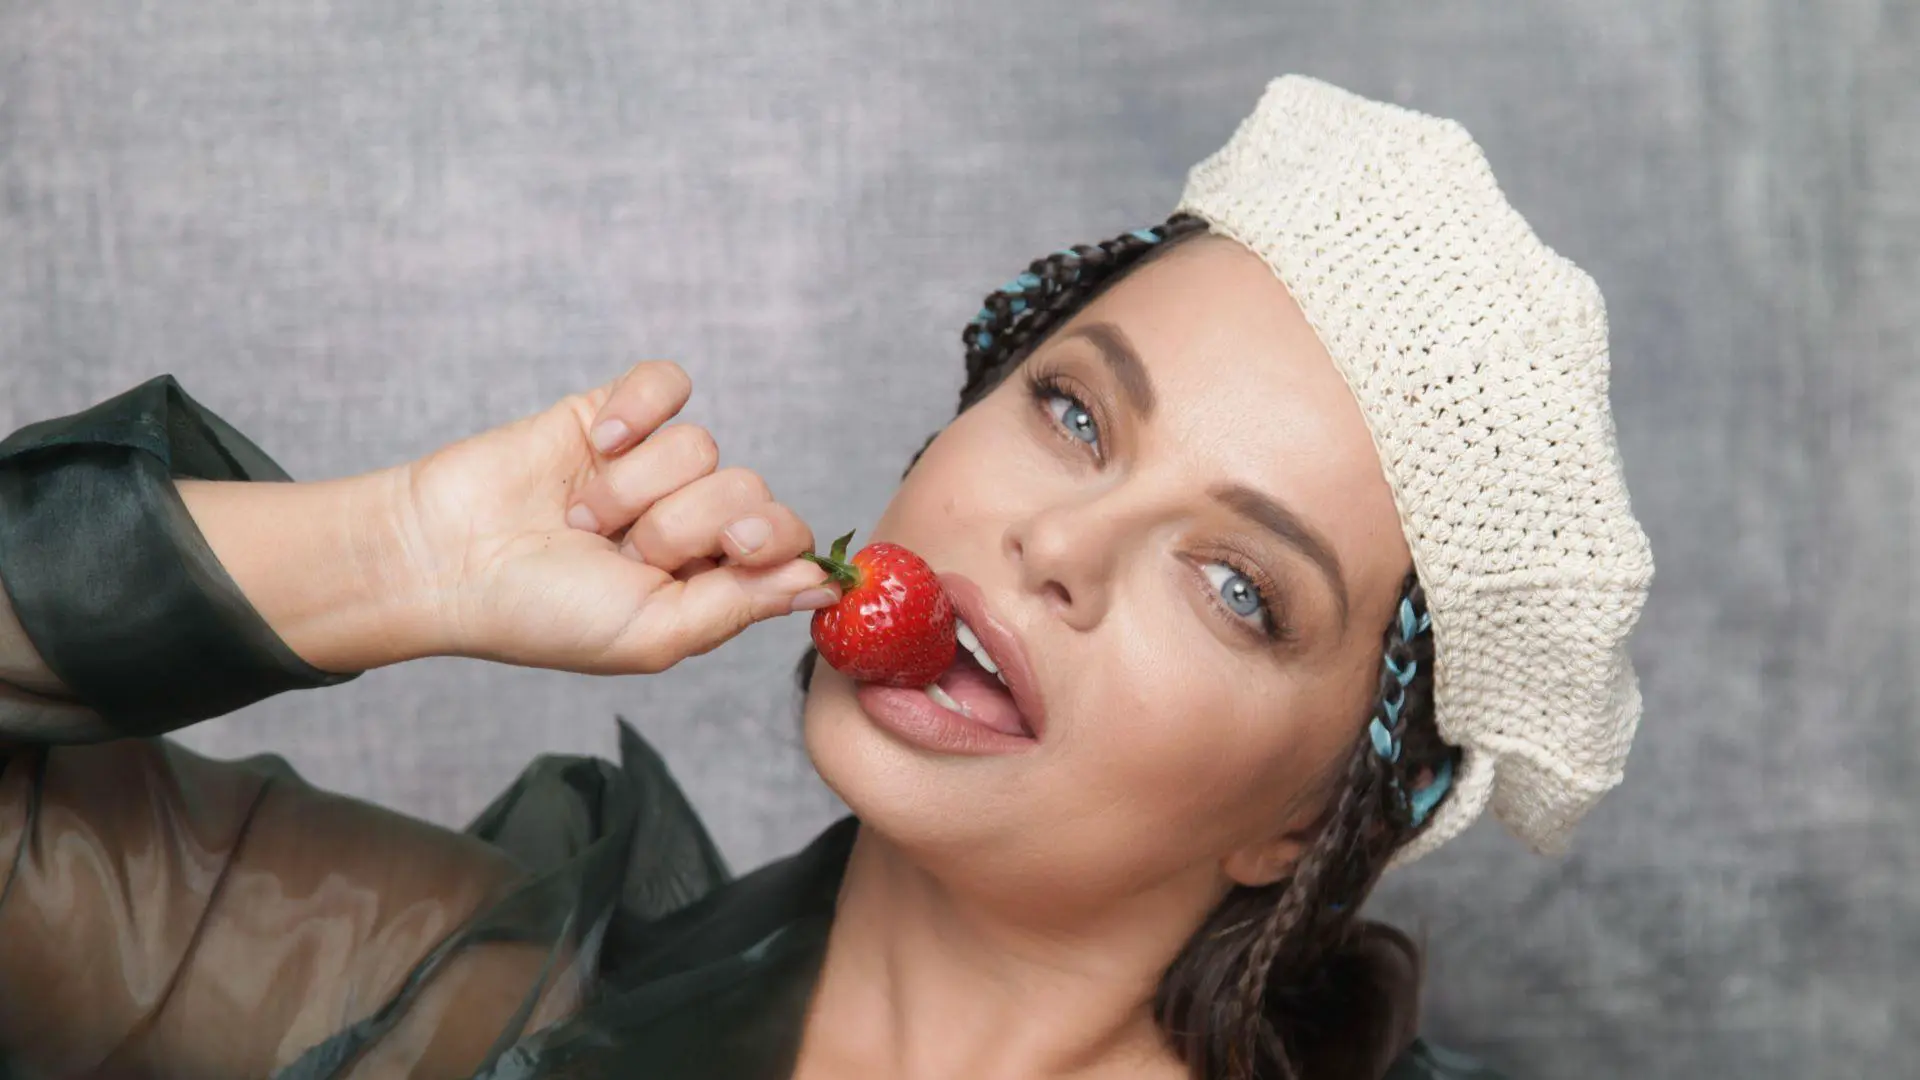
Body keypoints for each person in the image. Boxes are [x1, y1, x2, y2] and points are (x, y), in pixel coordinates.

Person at [0, 75, 1653, 1080]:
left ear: (1309, 822)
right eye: (1076, 415)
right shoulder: (447, 1002)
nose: (1060, 547)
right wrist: (396, 556)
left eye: (1237, 587)